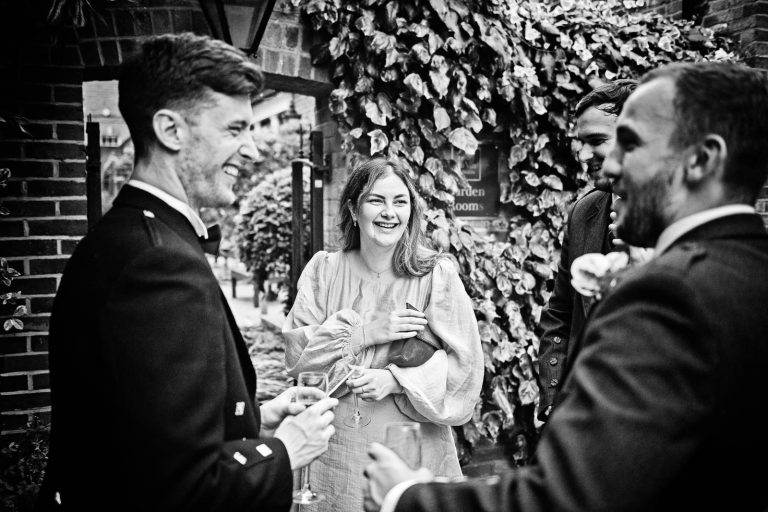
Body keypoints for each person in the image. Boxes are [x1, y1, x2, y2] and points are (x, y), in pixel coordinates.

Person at [364, 61, 768, 512]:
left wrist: (406, 496)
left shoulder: (669, 296)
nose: (609, 166)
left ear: (702, 160)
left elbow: (563, 500)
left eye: (629, 144)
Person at [39, 33, 337, 511]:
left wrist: (252, 421)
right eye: (235, 129)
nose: (253, 150)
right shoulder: (160, 264)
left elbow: (140, 430)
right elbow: (182, 489)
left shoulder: (126, 236)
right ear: (171, 130)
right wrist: (284, 452)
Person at [283, 157, 484, 512]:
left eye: (400, 201)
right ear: (353, 208)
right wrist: (363, 333)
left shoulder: (435, 275)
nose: (389, 212)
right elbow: (300, 362)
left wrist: (395, 379)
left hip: (410, 450)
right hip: (336, 454)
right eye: (376, 200)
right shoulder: (323, 272)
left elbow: (466, 369)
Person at [536, 79, 637, 419]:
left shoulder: (677, 218)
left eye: (596, 141)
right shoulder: (584, 212)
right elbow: (560, 312)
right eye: (581, 144)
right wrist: (554, 398)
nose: (583, 155)